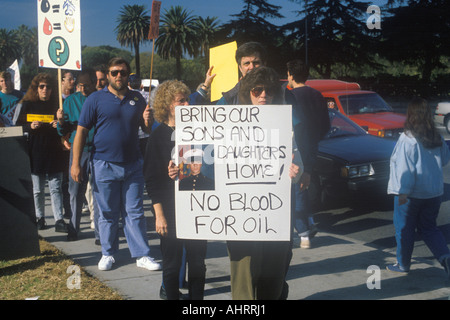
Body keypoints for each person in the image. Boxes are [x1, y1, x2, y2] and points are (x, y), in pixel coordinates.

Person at [71, 57, 161, 272]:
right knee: (107, 213)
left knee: (135, 211)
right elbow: (81, 131)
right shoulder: (94, 99)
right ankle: (108, 252)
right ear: (108, 75)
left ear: (128, 74)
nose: (118, 76)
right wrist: (75, 164)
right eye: (114, 72)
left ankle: (141, 254)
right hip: (103, 164)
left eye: (122, 72)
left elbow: (147, 131)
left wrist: (148, 121)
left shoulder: (138, 98)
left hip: (133, 164)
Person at [225, 66, 291, 300]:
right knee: (243, 276)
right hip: (240, 212)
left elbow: (297, 159)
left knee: (273, 275)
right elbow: (212, 165)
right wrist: (180, 171)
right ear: (247, 92)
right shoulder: (229, 122)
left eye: (269, 90)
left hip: (276, 212)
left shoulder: (285, 122)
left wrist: (297, 170)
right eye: (257, 90)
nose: (264, 95)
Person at [144, 80, 207, 300]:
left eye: (187, 99)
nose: (187, 104)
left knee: (198, 264)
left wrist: (193, 171)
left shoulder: (198, 132)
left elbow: (208, 166)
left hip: (197, 206)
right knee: (171, 266)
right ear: (168, 105)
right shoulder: (158, 136)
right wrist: (159, 215)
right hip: (170, 210)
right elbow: (151, 180)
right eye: (181, 101)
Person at [386, 97, 450, 277]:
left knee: (404, 229)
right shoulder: (436, 136)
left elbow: (404, 169)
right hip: (434, 193)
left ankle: (403, 264)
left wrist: (403, 192)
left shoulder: (407, 139)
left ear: (411, 115)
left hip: (411, 195)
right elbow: (445, 160)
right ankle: (445, 257)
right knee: (429, 228)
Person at [285, 59, 330, 249]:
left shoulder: (289, 96)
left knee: (295, 189)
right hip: (313, 146)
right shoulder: (318, 95)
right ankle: (310, 223)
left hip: (296, 146)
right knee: (305, 185)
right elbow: (326, 125)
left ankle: (303, 233)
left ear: (291, 75)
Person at [16, 73, 68, 233]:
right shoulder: (27, 105)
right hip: (35, 152)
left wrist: (59, 123)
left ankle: (59, 219)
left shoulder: (60, 104)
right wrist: (29, 127)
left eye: (49, 87)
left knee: (55, 188)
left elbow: (68, 128)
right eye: (42, 87)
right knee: (37, 190)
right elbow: (17, 127)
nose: (45, 90)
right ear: (36, 88)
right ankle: (40, 218)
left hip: (54, 153)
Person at [57, 69, 100, 243]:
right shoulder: (70, 101)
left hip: (98, 149)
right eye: (80, 85)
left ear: (93, 83)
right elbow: (64, 129)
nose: (83, 88)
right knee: (75, 190)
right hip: (78, 150)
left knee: (98, 192)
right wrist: (60, 121)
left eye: (86, 85)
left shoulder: (99, 98)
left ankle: (99, 231)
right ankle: (73, 228)